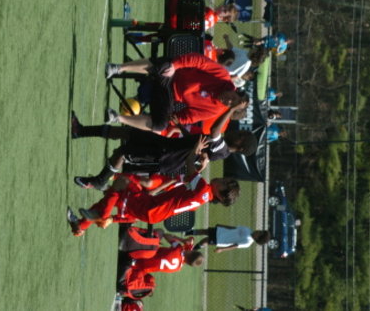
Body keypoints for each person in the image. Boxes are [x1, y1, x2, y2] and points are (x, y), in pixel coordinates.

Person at [67, 136, 241, 234]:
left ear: (220, 195)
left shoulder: (203, 188)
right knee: (117, 192)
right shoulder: (203, 196)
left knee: (121, 183)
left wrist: (196, 148)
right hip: (153, 210)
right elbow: (186, 181)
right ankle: (81, 226)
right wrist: (199, 168)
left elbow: (189, 162)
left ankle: (102, 216)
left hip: (151, 208)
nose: (221, 179)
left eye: (224, 183)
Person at [72, 102, 256, 190]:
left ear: (240, 148)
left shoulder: (222, 150)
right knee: (127, 132)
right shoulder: (220, 145)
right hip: (166, 145)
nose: (237, 133)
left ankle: (99, 181)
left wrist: (231, 109)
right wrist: (181, 127)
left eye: (240, 137)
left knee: (122, 153)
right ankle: (81, 131)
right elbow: (195, 143)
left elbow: (215, 130)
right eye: (241, 132)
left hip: (165, 157)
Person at [104, 53, 243, 132]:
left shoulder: (215, 109)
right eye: (233, 98)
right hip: (174, 74)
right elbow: (199, 60)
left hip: (170, 96)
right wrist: (175, 65)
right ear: (235, 91)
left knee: (161, 125)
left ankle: (117, 118)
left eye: (231, 104)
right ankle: (117, 68)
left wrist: (174, 120)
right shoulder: (222, 76)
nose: (229, 101)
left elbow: (190, 117)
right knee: (164, 66)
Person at [124, 0, 239, 31]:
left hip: (176, 13)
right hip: (176, 27)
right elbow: (192, 26)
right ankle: (137, 27)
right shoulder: (210, 25)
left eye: (225, 11)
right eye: (225, 6)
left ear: (224, 19)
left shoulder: (209, 12)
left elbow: (189, 9)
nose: (222, 8)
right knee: (164, 29)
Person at [130, 232, 203, 274]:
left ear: (192, 252)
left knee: (160, 232)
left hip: (140, 254)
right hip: (139, 267)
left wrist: (182, 240)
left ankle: (134, 234)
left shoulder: (178, 249)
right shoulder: (177, 268)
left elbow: (166, 235)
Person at [188, 225, 270, 253]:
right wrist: (222, 226)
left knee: (204, 241)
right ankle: (187, 232)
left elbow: (234, 246)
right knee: (203, 231)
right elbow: (234, 228)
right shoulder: (248, 230)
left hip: (221, 240)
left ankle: (190, 250)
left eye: (260, 233)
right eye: (260, 231)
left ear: (257, 238)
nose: (258, 231)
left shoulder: (247, 242)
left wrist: (222, 249)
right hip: (221, 231)